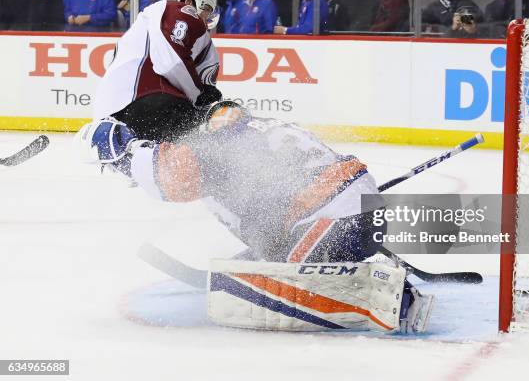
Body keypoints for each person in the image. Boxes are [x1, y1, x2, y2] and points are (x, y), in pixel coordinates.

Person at [76, 101, 434, 334]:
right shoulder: (262, 130)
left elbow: (174, 174)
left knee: (289, 285)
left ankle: (395, 296)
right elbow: (273, 214)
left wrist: (126, 156)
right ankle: (364, 279)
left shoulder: (222, 145)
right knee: (272, 266)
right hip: (361, 211)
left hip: (336, 217)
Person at [93, 0, 222, 143]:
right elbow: (171, 63)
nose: (206, 19)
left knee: (165, 164)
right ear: (188, 0)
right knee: (208, 146)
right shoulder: (181, 9)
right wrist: (199, 96)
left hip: (114, 119)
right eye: (205, 9)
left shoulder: (147, 21)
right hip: (148, 102)